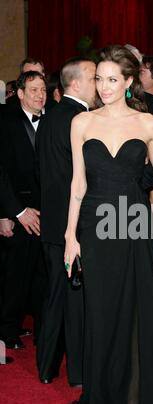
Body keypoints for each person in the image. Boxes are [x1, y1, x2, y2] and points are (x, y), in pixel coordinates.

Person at [64, 45, 153, 404]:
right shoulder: (81, 123)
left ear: (130, 81)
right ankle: (104, 396)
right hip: (96, 228)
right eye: (99, 79)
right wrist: (70, 236)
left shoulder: (148, 124)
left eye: (112, 79)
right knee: (101, 312)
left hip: (133, 224)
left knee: (138, 309)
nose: (103, 86)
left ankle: (136, 395)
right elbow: (77, 184)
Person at [35, 57, 97, 386]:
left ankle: (46, 366)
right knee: (74, 302)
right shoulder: (80, 119)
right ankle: (78, 373)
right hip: (73, 226)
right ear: (75, 83)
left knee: (56, 297)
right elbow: (83, 179)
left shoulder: (52, 116)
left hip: (54, 225)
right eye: (92, 76)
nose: (98, 81)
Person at [0, 71, 47, 349]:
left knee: (41, 274)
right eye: (33, 90)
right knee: (15, 274)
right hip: (16, 210)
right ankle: (7, 331)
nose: (39, 95)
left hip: (46, 210)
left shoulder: (52, 118)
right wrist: (10, 213)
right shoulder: (5, 122)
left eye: (42, 90)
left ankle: (42, 328)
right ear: (19, 93)